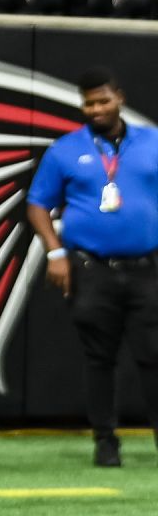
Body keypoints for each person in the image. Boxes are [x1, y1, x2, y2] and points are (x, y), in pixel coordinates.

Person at [27, 67, 158, 468]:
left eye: (102, 100)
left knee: (154, 357)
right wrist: (54, 253)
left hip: (147, 268)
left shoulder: (152, 141)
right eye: (88, 103)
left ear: (119, 97)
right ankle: (105, 440)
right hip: (91, 268)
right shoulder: (66, 149)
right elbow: (37, 205)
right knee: (99, 358)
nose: (95, 108)